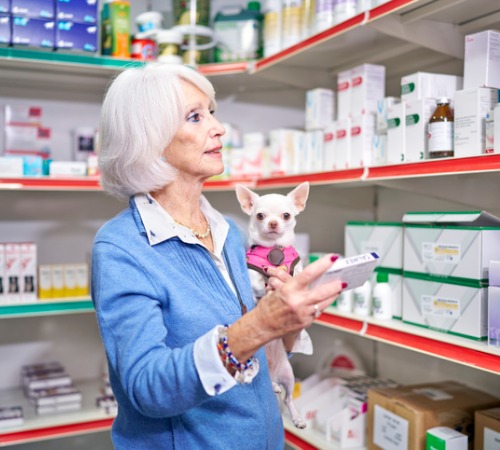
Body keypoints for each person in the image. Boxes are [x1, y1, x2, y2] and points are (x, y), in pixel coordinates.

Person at [91, 62, 345, 449]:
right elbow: (146, 388)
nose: (218, 127)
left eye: (212, 112)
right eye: (195, 116)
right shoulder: (122, 248)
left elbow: (251, 359)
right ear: (150, 138)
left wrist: (288, 321)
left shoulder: (227, 230)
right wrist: (260, 324)